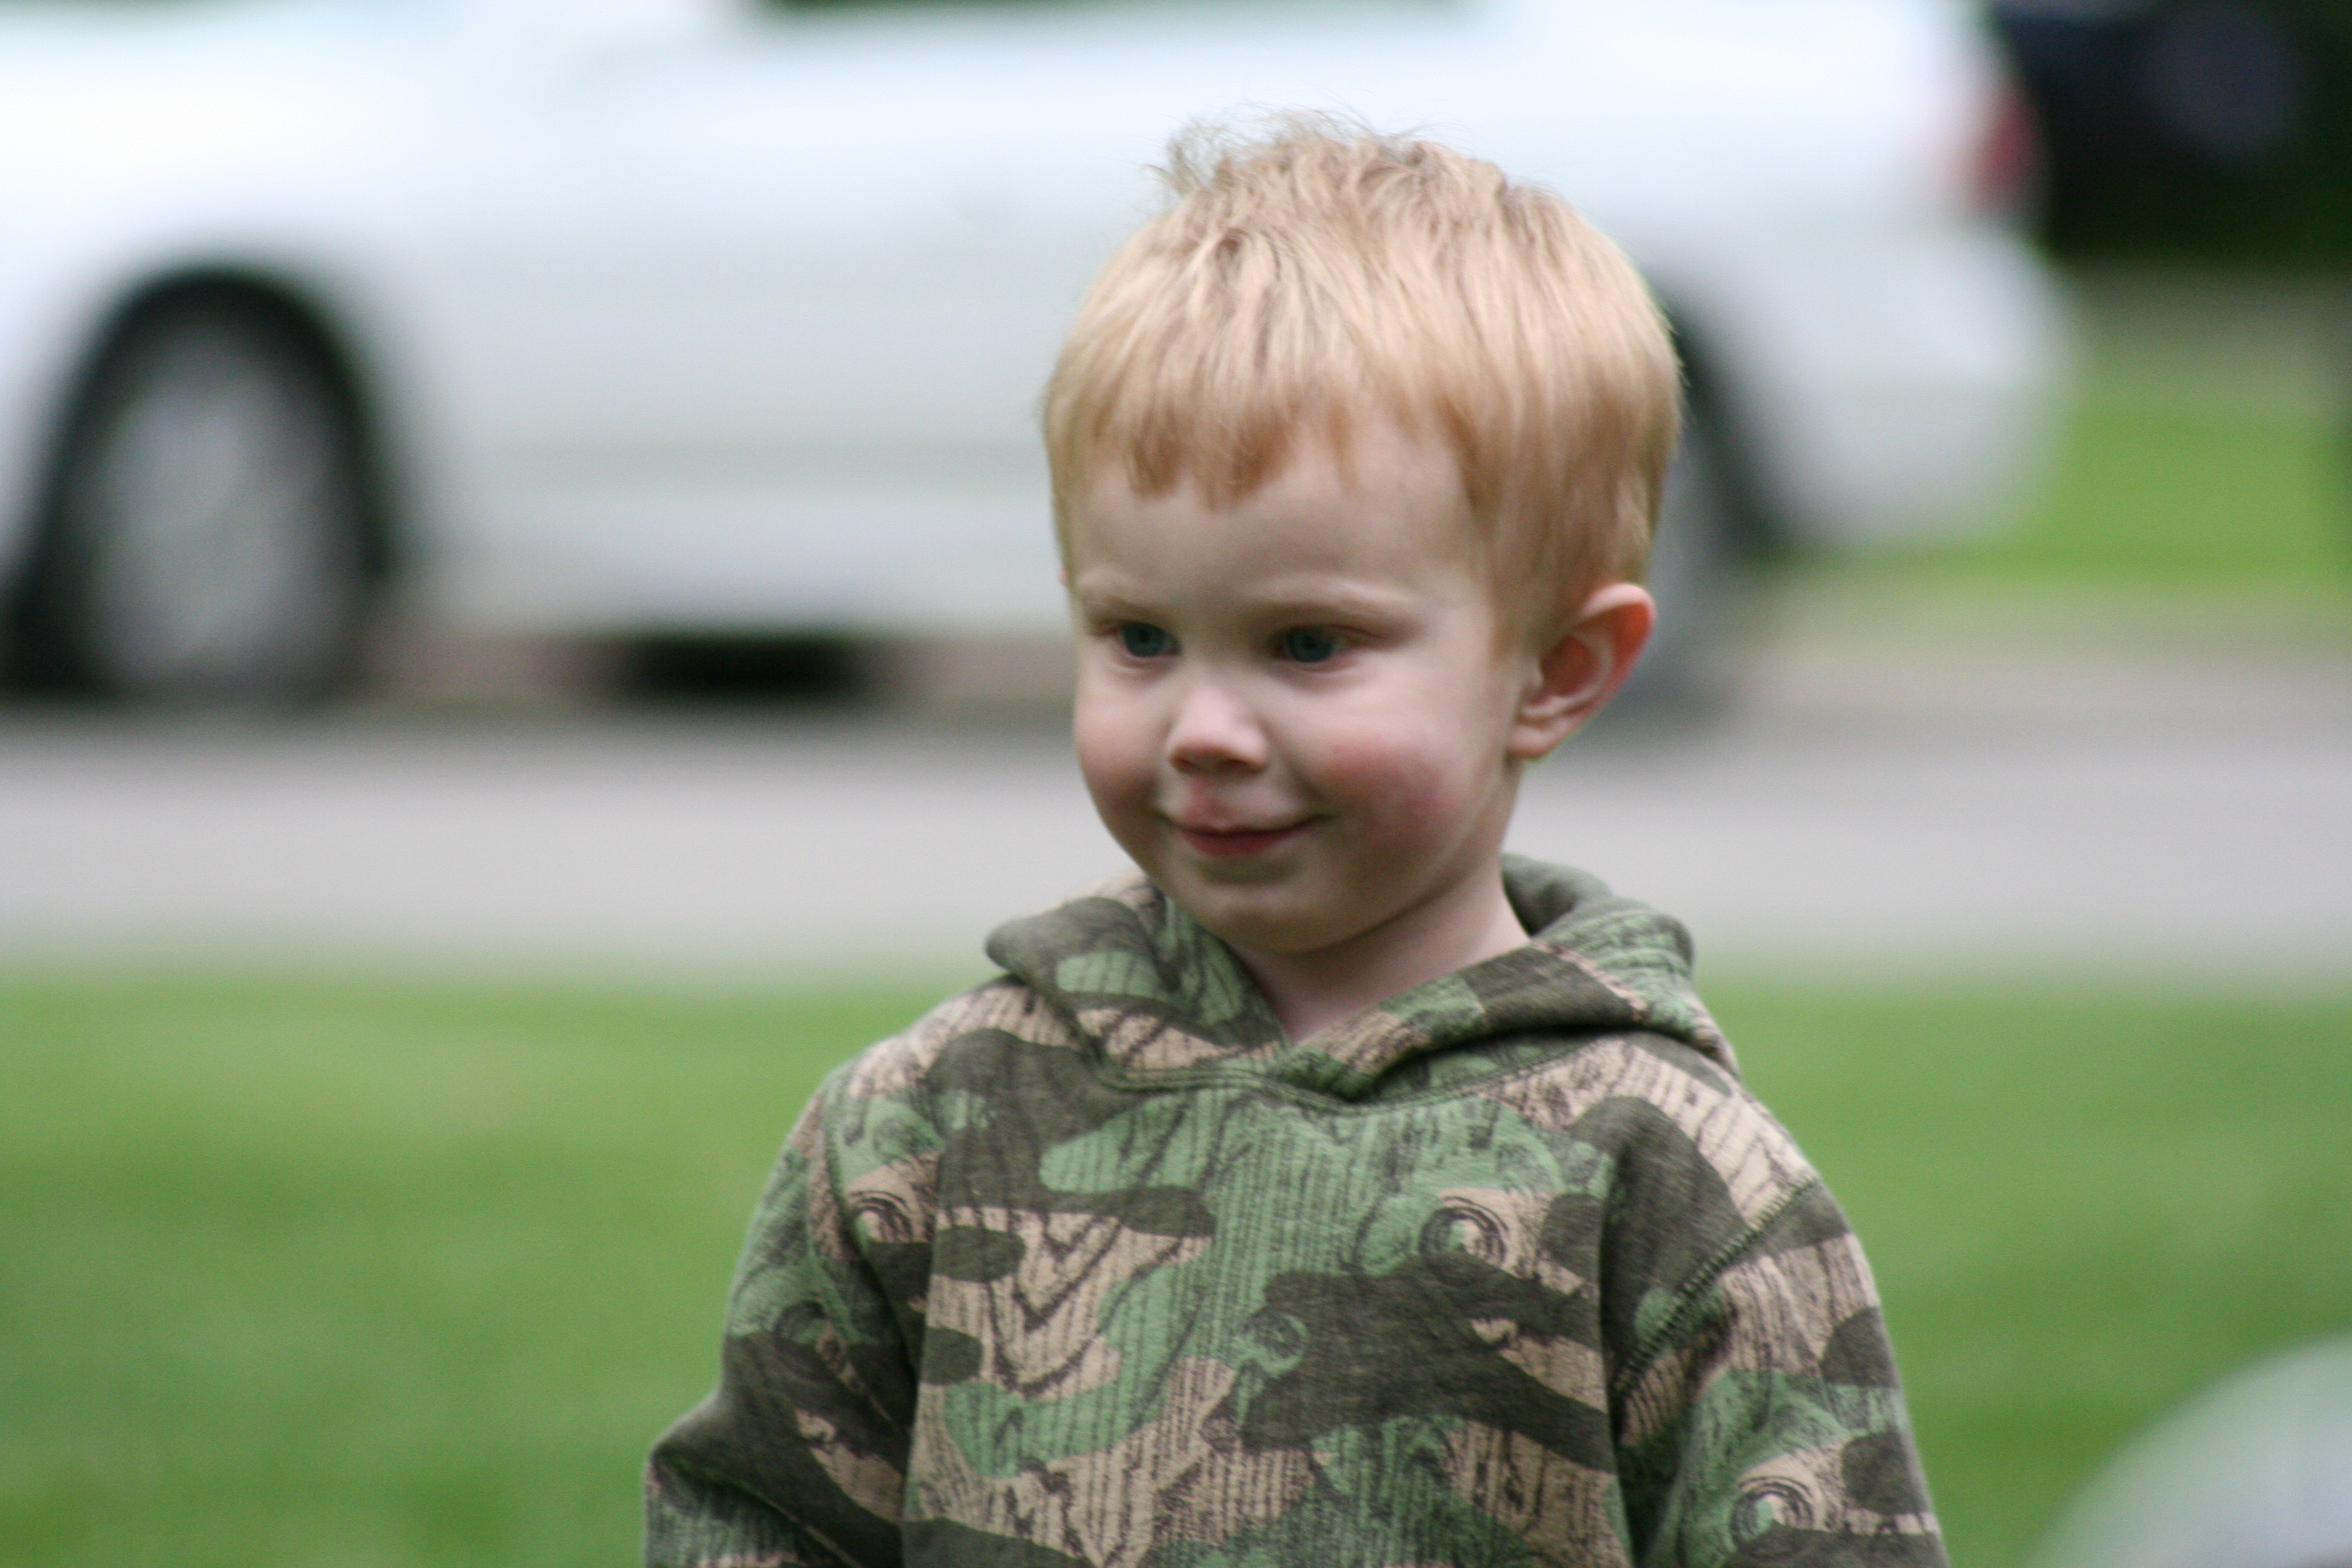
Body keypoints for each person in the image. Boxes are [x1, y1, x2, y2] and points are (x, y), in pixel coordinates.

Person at [644, 117, 1944, 1568]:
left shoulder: (1665, 1179)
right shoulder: (926, 1124)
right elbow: (756, 1522)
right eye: (1140, 636)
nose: (1203, 728)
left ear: (1557, 669)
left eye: (1309, 644)